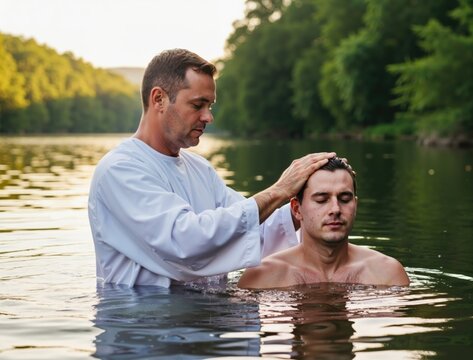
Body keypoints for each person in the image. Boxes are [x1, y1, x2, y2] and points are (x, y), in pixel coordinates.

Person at [88, 49, 335, 287]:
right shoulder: (119, 170)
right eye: (198, 105)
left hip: (206, 317)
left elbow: (250, 230)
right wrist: (279, 190)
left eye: (211, 106)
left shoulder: (199, 168)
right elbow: (184, 243)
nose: (208, 117)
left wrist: (306, 207)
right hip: (142, 320)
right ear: (159, 99)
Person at [238, 157, 410, 288]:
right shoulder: (262, 278)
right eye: (321, 199)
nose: (335, 209)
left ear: (355, 205)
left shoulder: (388, 274)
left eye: (344, 199)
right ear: (297, 209)